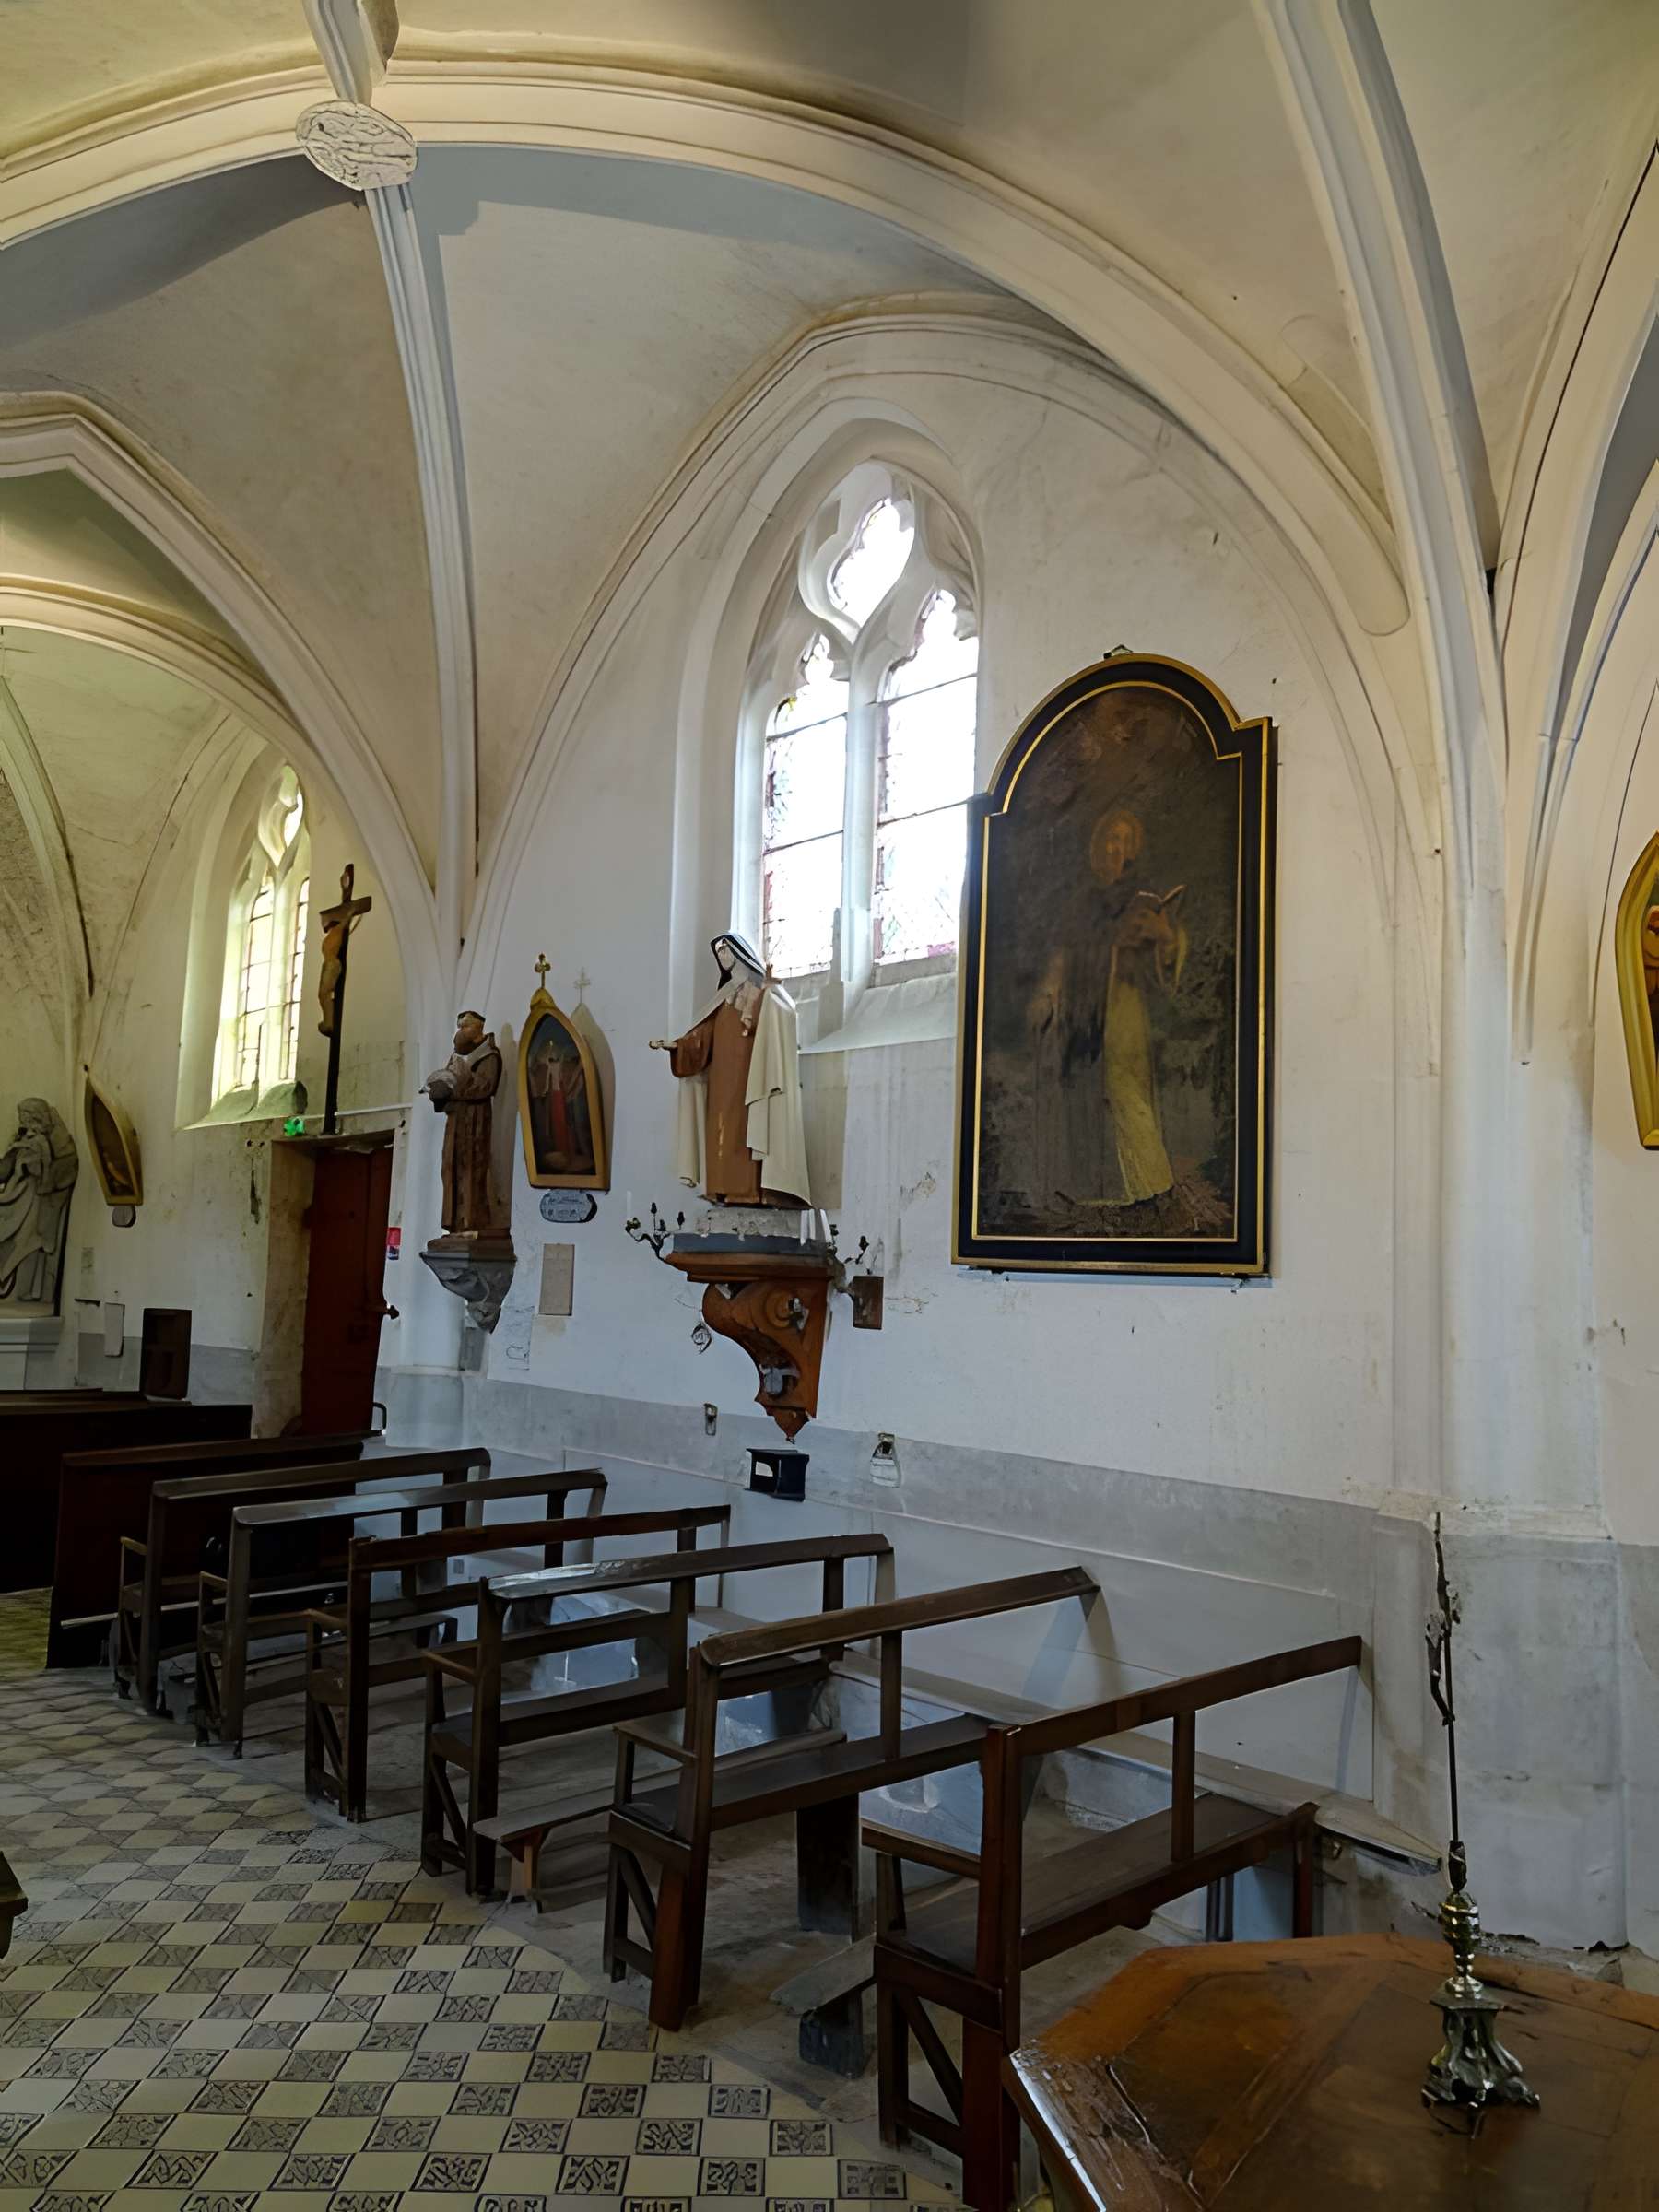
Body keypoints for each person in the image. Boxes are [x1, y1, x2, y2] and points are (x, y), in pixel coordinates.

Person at [1028, 806, 1187, 1213]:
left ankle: (1152, 1184)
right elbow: (1062, 955)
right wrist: (1048, 993)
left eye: (1124, 841)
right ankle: (1095, 1187)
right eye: (1110, 840)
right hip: (1083, 1006)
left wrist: (1164, 935)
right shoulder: (1081, 902)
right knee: (1083, 1090)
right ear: (1099, 848)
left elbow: (1171, 949)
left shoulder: (1142, 897)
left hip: (1122, 1003)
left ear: (1132, 850)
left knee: (1126, 1087)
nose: (1117, 849)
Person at [423, 1010, 502, 1235]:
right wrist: (439, 1092)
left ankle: (471, 1220)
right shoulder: (456, 1058)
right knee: (450, 1168)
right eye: (459, 1027)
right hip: (456, 1121)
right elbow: (448, 1082)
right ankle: (454, 1222)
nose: (460, 1032)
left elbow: (485, 1086)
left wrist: (454, 1088)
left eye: (465, 1027)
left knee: (471, 1169)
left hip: (475, 1122)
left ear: (479, 1030)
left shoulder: (489, 1056)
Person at [0, 1098, 79, 1306]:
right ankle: (10, 1289)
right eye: (21, 1116)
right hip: (16, 1194)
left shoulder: (43, 1142)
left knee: (28, 1243)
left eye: (26, 1115)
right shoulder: (21, 1138)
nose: (22, 1120)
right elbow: (6, 1169)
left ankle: (23, 1291)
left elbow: (45, 1169)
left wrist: (29, 1166)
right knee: (10, 1237)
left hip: (33, 1200)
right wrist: (14, 1154)